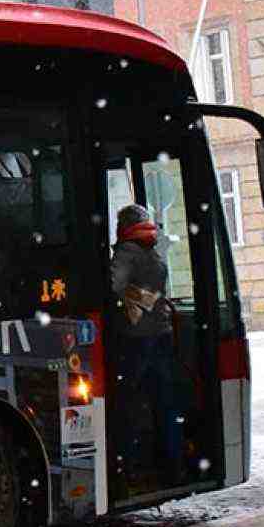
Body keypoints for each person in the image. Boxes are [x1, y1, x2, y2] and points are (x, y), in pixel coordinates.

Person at [110, 204, 183, 485]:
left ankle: (124, 466)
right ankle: (172, 465)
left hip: (136, 339)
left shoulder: (127, 252)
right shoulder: (154, 251)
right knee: (165, 402)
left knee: (125, 403)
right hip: (161, 334)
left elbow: (112, 285)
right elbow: (157, 287)